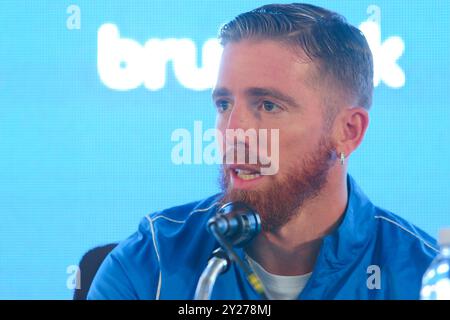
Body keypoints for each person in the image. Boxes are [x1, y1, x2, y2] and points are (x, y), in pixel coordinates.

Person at [87, 3, 437, 300]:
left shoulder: (425, 280)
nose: (233, 132)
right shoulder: (151, 263)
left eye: (268, 106)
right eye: (224, 104)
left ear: (348, 132)